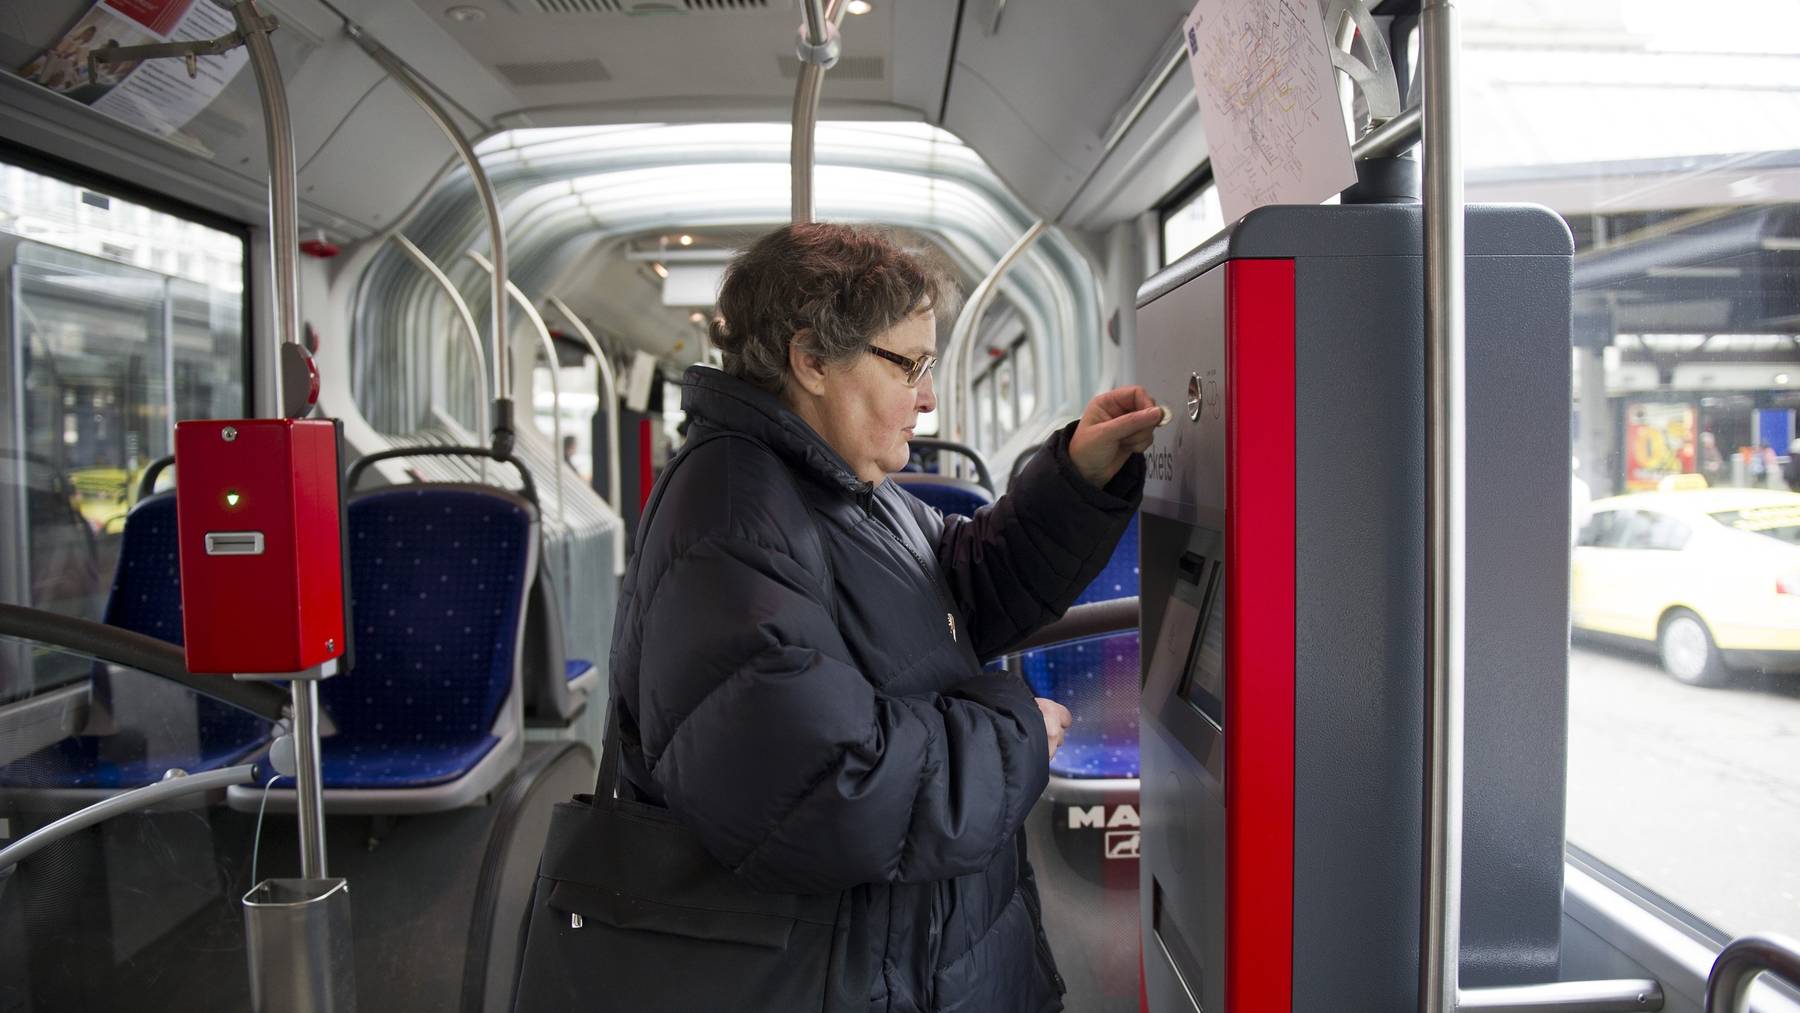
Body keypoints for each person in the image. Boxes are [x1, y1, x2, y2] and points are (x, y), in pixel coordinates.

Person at [608, 223, 1157, 1013]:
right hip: (839, 971)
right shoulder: (730, 519)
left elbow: (957, 585)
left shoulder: (838, 485)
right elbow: (822, 784)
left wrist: (1076, 476)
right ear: (811, 360)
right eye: (910, 366)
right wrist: (1014, 731)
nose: (930, 396)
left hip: (906, 950)